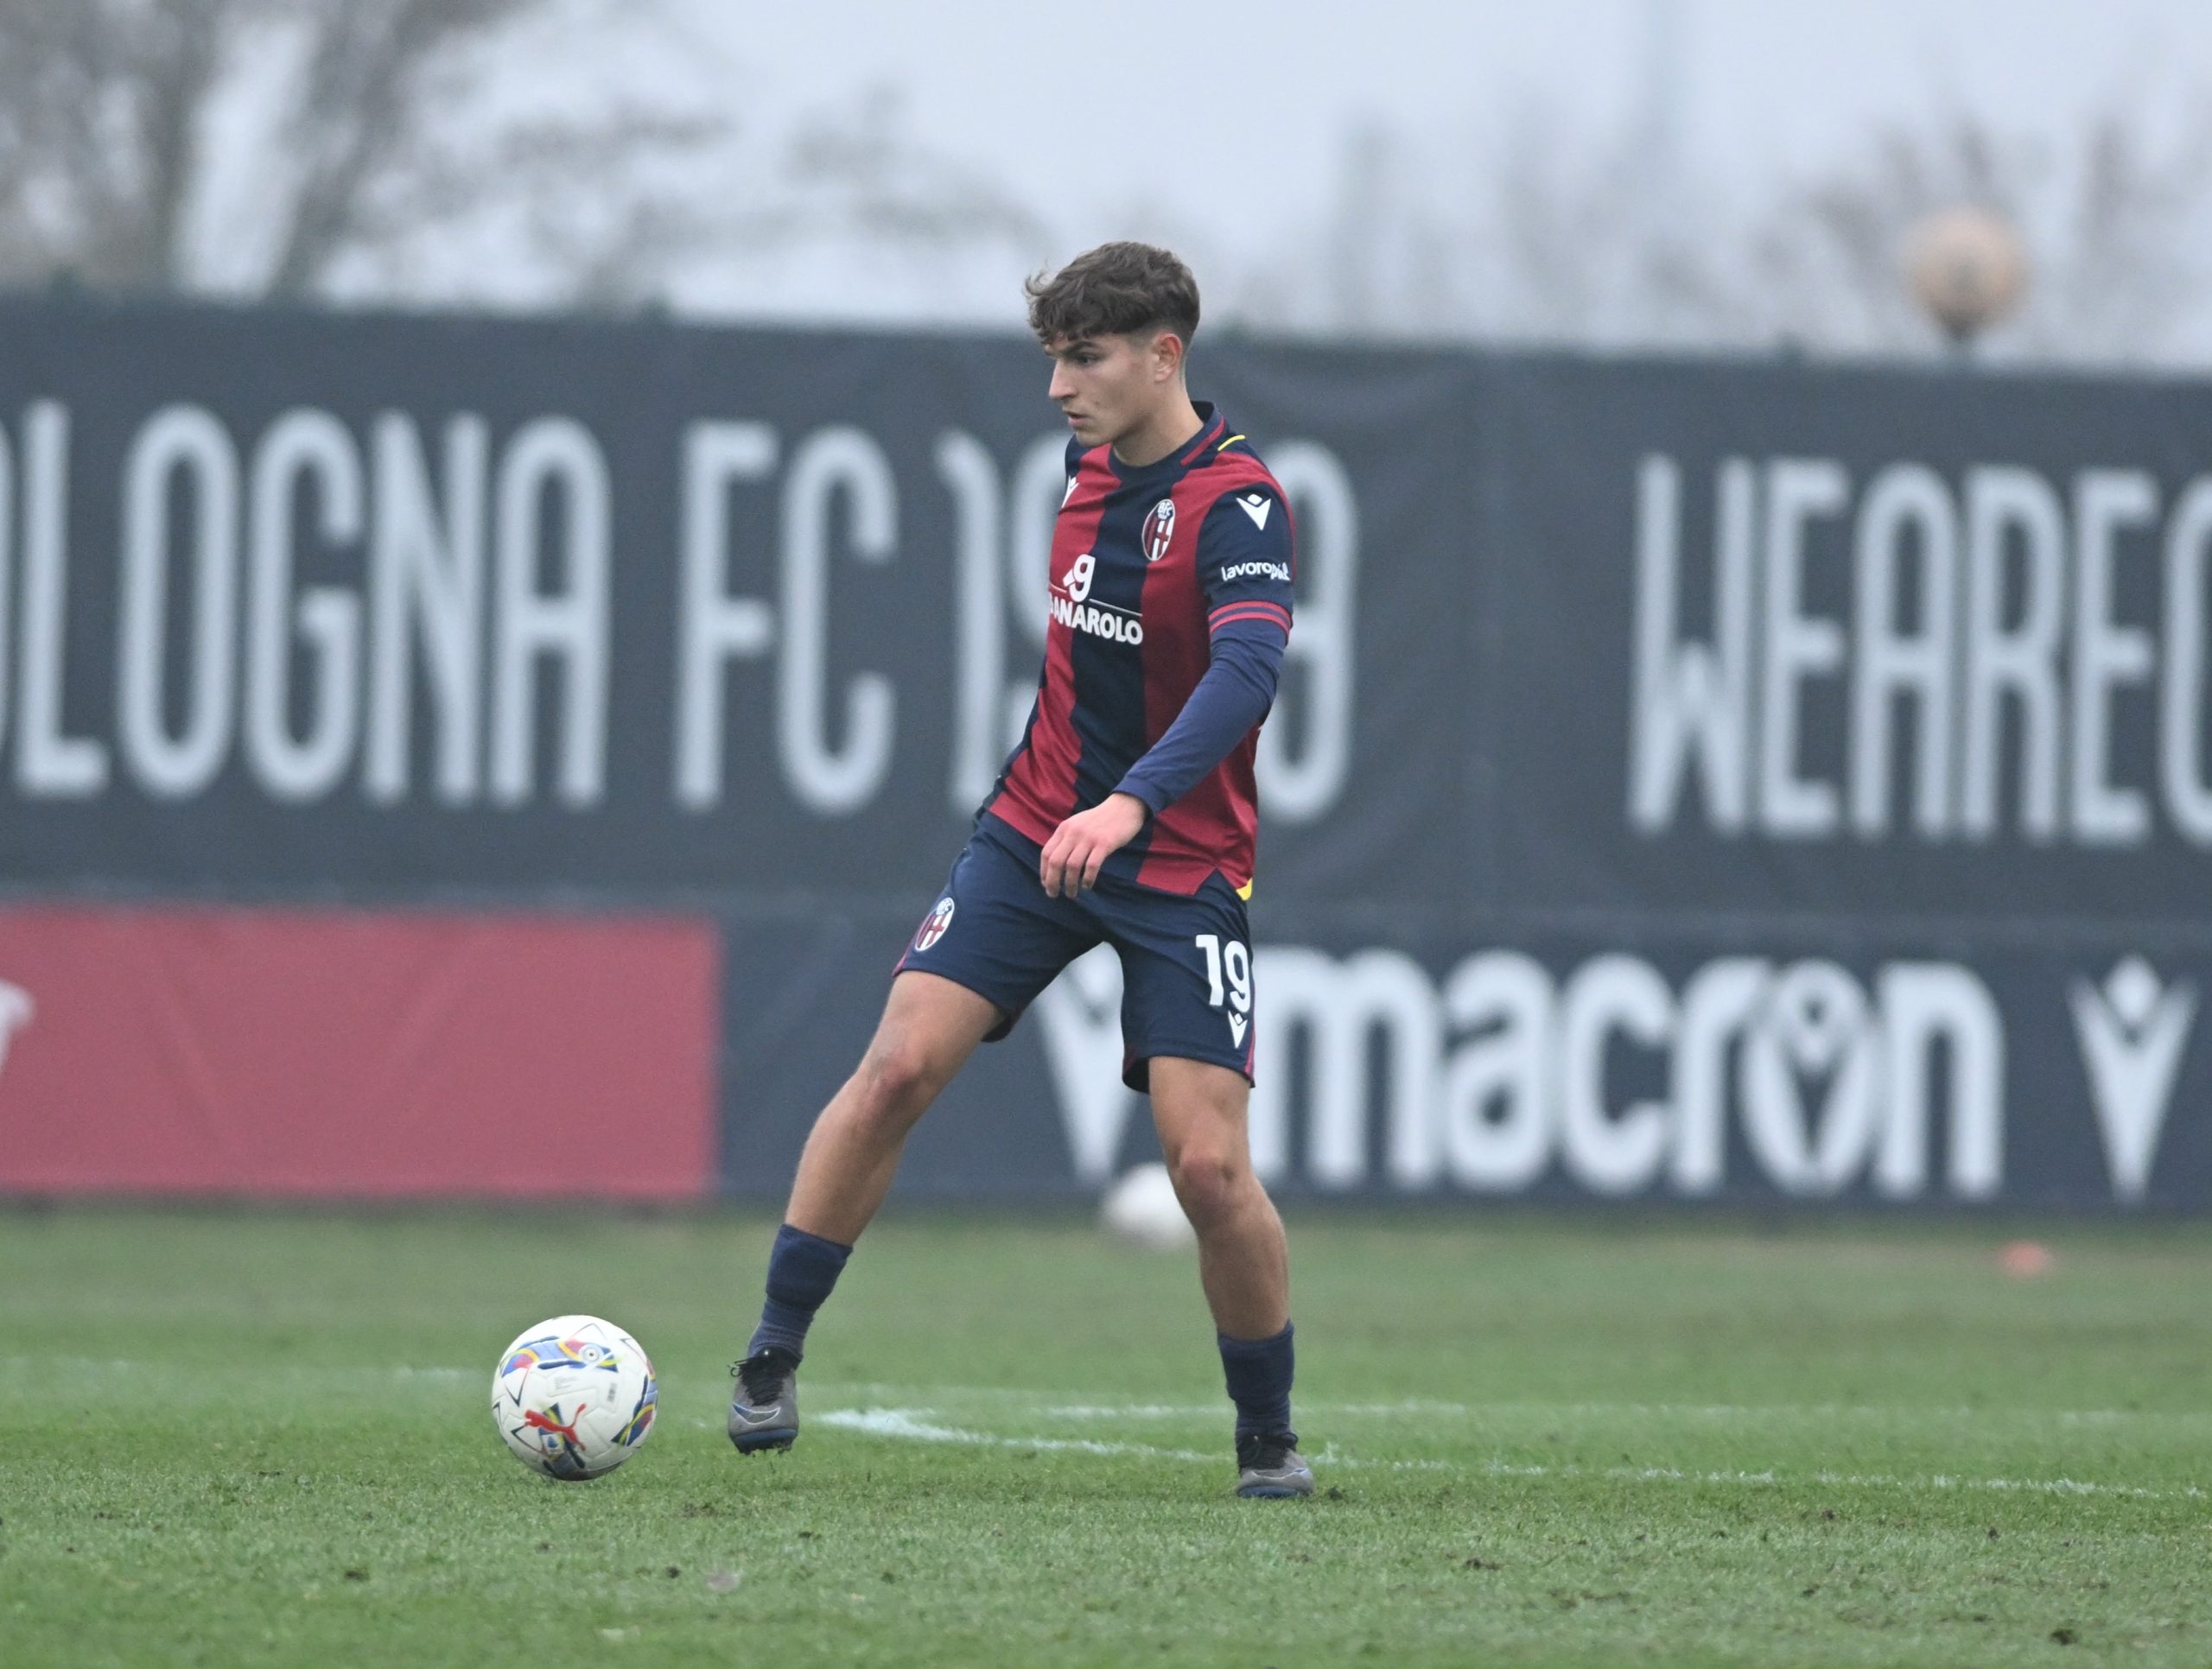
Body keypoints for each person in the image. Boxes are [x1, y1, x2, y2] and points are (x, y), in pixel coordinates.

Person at [729, 241, 1310, 1499]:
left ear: (1166, 355)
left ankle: (1268, 1437)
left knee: (1207, 1169)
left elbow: (1246, 678)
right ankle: (770, 1355)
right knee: (894, 1070)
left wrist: (1134, 803)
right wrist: (1083, 803)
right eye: (1052, 357)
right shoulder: (1083, 467)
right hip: (1037, 826)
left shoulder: (1242, 506)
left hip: (1179, 859)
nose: (1058, 386)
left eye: (1085, 357)